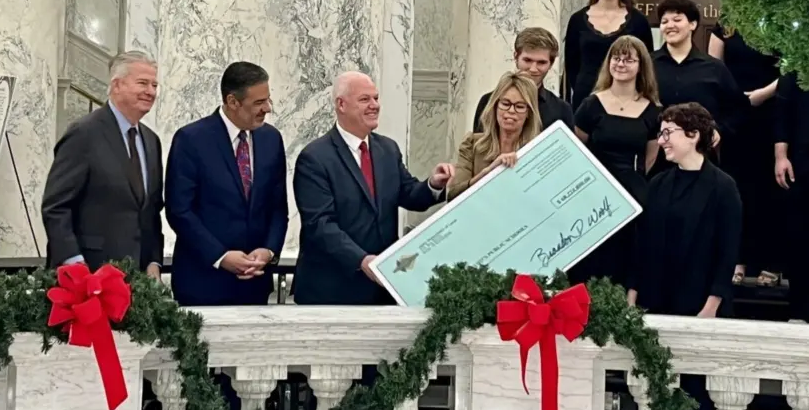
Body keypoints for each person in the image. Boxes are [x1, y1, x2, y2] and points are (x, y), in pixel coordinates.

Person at [293, 71, 454, 306]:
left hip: (382, 290)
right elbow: (320, 225)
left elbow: (408, 193)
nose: (374, 106)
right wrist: (362, 260)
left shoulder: (387, 149)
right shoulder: (315, 158)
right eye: (365, 99)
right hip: (332, 290)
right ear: (341, 104)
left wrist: (433, 185)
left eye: (376, 98)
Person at [628, 103, 741, 410]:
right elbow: (643, 244)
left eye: (668, 133)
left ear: (693, 135)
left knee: (698, 396)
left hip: (700, 305)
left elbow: (727, 251)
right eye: (660, 133)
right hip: (658, 300)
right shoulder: (659, 184)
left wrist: (711, 306)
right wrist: (633, 293)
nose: (661, 140)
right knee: (655, 390)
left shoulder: (723, 187)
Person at [165, 62, 288, 306]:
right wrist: (220, 256)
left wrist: (268, 251)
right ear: (232, 102)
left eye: (268, 100)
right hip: (202, 284)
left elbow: (277, 207)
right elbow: (180, 211)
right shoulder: (191, 140)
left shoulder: (271, 139)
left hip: (255, 286)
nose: (267, 108)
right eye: (258, 102)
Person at [42, 51, 164, 277]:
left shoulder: (150, 141)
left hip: (139, 279)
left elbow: (151, 210)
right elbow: (56, 206)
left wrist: (154, 261)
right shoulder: (84, 134)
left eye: (154, 85)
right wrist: (74, 264)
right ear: (117, 85)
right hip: (90, 275)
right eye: (142, 83)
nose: (150, 92)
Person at [567, 36, 660, 287]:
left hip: (632, 194)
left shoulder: (652, 110)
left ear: (641, 66)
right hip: (594, 194)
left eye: (629, 59)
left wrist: (633, 182)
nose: (621, 64)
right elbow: (577, 149)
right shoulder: (591, 105)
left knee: (628, 256)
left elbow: (650, 157)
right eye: (616, 58)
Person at [709, 23, 784, 288]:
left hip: (772, 113)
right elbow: (714, 68)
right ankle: (737, 260)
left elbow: (793, 65)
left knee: (770, 190)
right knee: (737, 188)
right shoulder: (726, 24)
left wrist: (763, 94)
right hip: (734, 116)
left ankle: (771, 262)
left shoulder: (782, 15)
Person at [650, 0, 747, 176]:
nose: (669, 25)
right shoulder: (647, 65)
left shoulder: (714, 68)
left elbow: (738, 109)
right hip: (656, 157)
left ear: (693, 24)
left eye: (677, 20)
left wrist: (719, 130)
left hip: (702, 159)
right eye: (664, 21)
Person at [562, 0, 653, 111]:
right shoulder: (577, 20)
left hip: (626, 100)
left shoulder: (639, 21)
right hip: (585, 98)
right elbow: (572, 65)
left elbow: (646, 63)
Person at [772, 71, 809, 321]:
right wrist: (780, 156)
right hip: (800, 158)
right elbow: (782, 112)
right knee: (799, 233)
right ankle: (799, 307)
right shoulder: (796, 63)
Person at [448, 72, 542, 201]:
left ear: (529, 113)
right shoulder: (471, 144)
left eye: (520, 106)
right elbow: (453, 195)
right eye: (505, 103)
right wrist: (488, 172)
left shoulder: (538, 151)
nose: (511, 111)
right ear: (495, 106)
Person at [472, 27, 573, 133]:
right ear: (516, 57)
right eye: (527, 60)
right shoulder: (488, 101)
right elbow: (478, 146)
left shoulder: (562, 110)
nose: (533, 69)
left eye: (541, 62)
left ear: (551, 64)